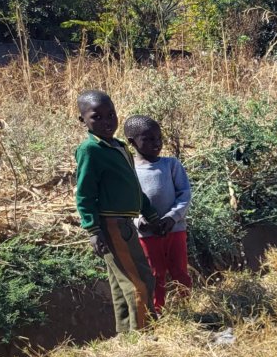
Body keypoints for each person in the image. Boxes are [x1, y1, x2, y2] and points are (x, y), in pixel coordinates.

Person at [74, 90, 162, 333]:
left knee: (120, 281)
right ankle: (145, 333)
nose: (107, 121)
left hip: (126, 224)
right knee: (139, 282)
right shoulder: (90, 150)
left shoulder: (120, 147)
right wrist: (93, 229)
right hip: (111, 226)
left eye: (111, 114)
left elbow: (134, 187)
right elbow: (84, 193)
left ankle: (126, 333)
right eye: (97, 117)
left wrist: (151, 214)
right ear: (83, 120)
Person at [126, 115, 193, 310]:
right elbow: (127, 202)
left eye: (158, 138)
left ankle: (187, 308)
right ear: (132, 142)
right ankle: (157, 312)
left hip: (175, 229)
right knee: (155, 274)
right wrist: (139, 221)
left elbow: (184, 194)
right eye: (148, 139)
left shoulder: (171, 165)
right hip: (147, 233)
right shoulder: (129, 171)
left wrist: (172, 218)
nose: (156, 143)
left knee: (180, 271)